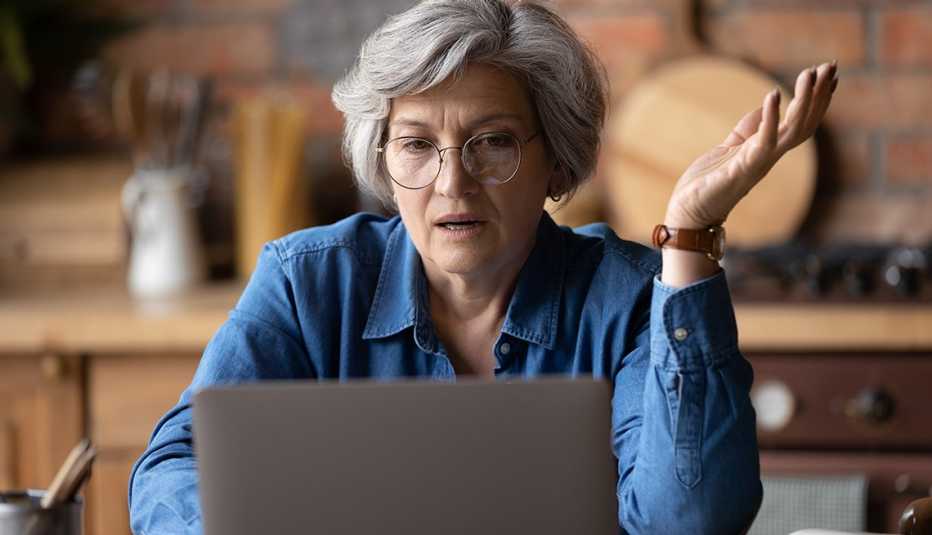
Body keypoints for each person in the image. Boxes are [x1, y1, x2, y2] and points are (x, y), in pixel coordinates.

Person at [128, 1, 837, 533]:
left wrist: (686, 237)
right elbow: (167, 474)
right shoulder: (306, 282)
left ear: (556, 158)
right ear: (384, 161)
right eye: (416, 145)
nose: (452, 183)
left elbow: (695, 519)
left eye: (491, 143)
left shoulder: (628, 297)